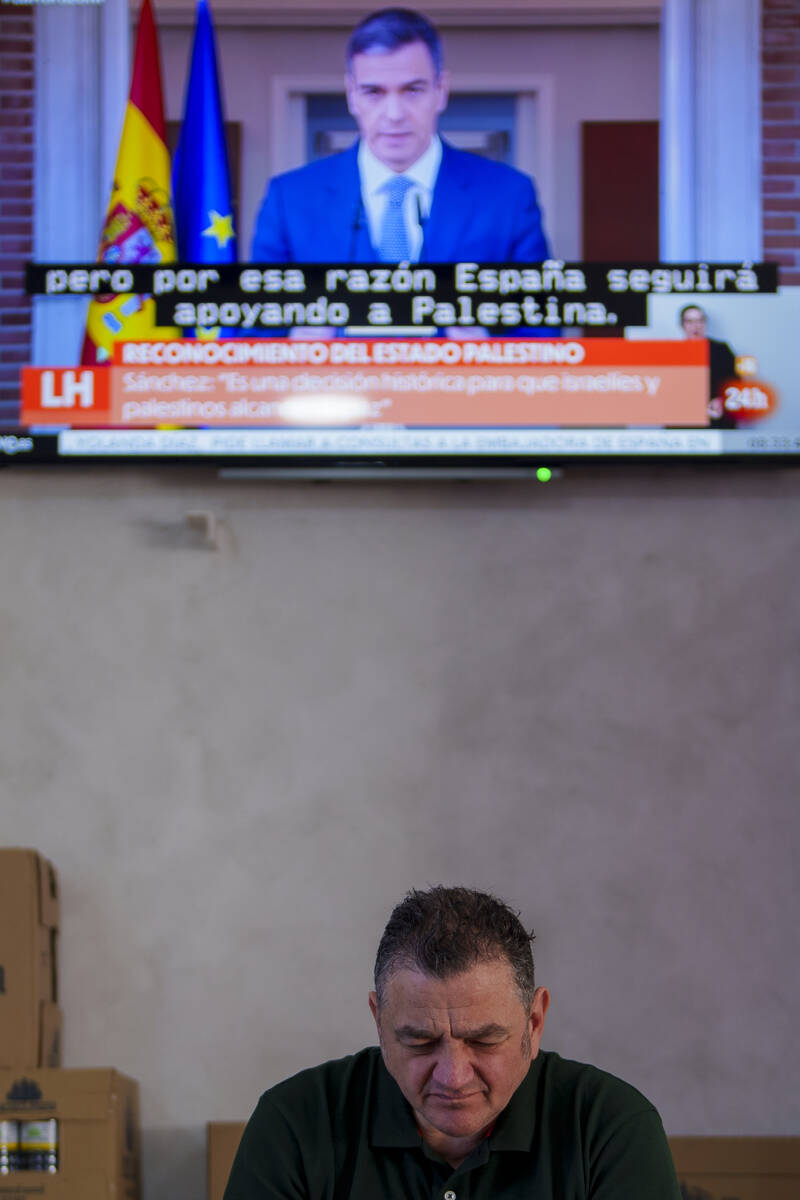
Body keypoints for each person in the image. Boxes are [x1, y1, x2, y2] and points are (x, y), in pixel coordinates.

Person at [224, 886, 681, 1200]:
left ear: (535, 1021)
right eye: (420, 1042)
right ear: (379, 1022)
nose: (453, 1076)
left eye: (484, 1041)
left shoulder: (609, 1128)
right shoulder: (294, 1124)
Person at [251, 8, 550, 264]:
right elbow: (251, 324)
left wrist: (485, 335)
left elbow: (543, 325)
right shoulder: (290, 199)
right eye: (374, 92)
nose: (394, 113)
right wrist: (293, 334)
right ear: (352, 96)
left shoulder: (508, 196)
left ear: (441, 90)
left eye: (412, 90)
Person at [679, 304, 740, 429]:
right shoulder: (673, 353)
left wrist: (722, 401)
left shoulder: (721, 350)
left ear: (705, 323)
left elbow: (736, 383)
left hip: (716, 418)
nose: (695, 326)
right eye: (689, 321)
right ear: (682, 325)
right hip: (684, 419)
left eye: (699, 321)